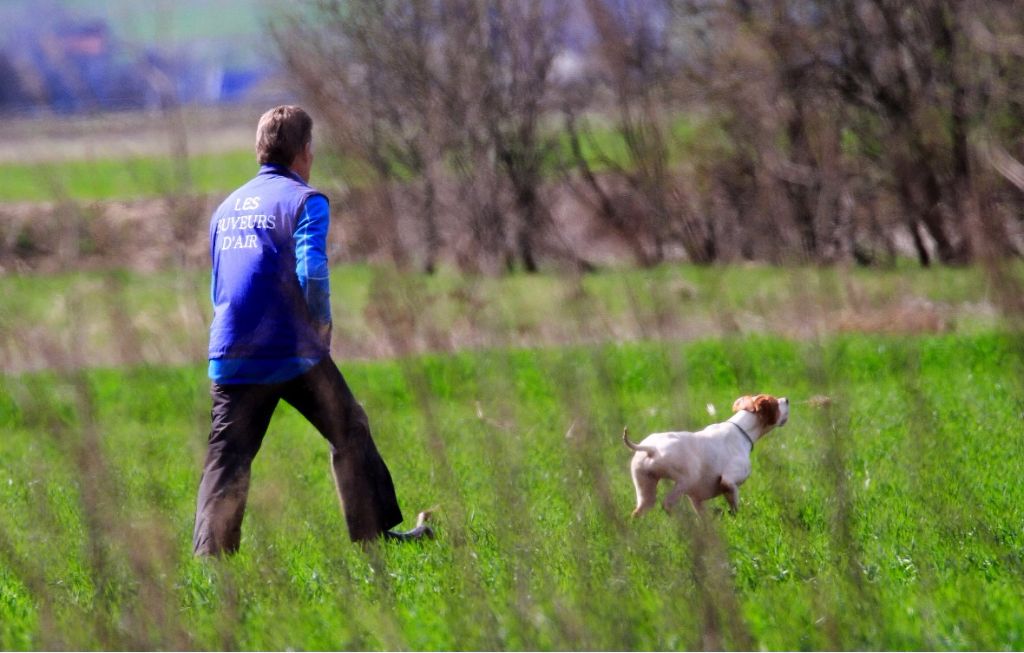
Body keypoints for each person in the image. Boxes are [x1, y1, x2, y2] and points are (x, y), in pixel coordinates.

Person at [192, 105, 432, 556]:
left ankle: (212, 562)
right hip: (291, 348)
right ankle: (374, 539)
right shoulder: (305, 200)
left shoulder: (225, 209)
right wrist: (320, 326)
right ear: (304, 152)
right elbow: (313, 271)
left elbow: (219, 282)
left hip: (231, 348)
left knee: (228, 457)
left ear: (260, 150)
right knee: (349, 428)